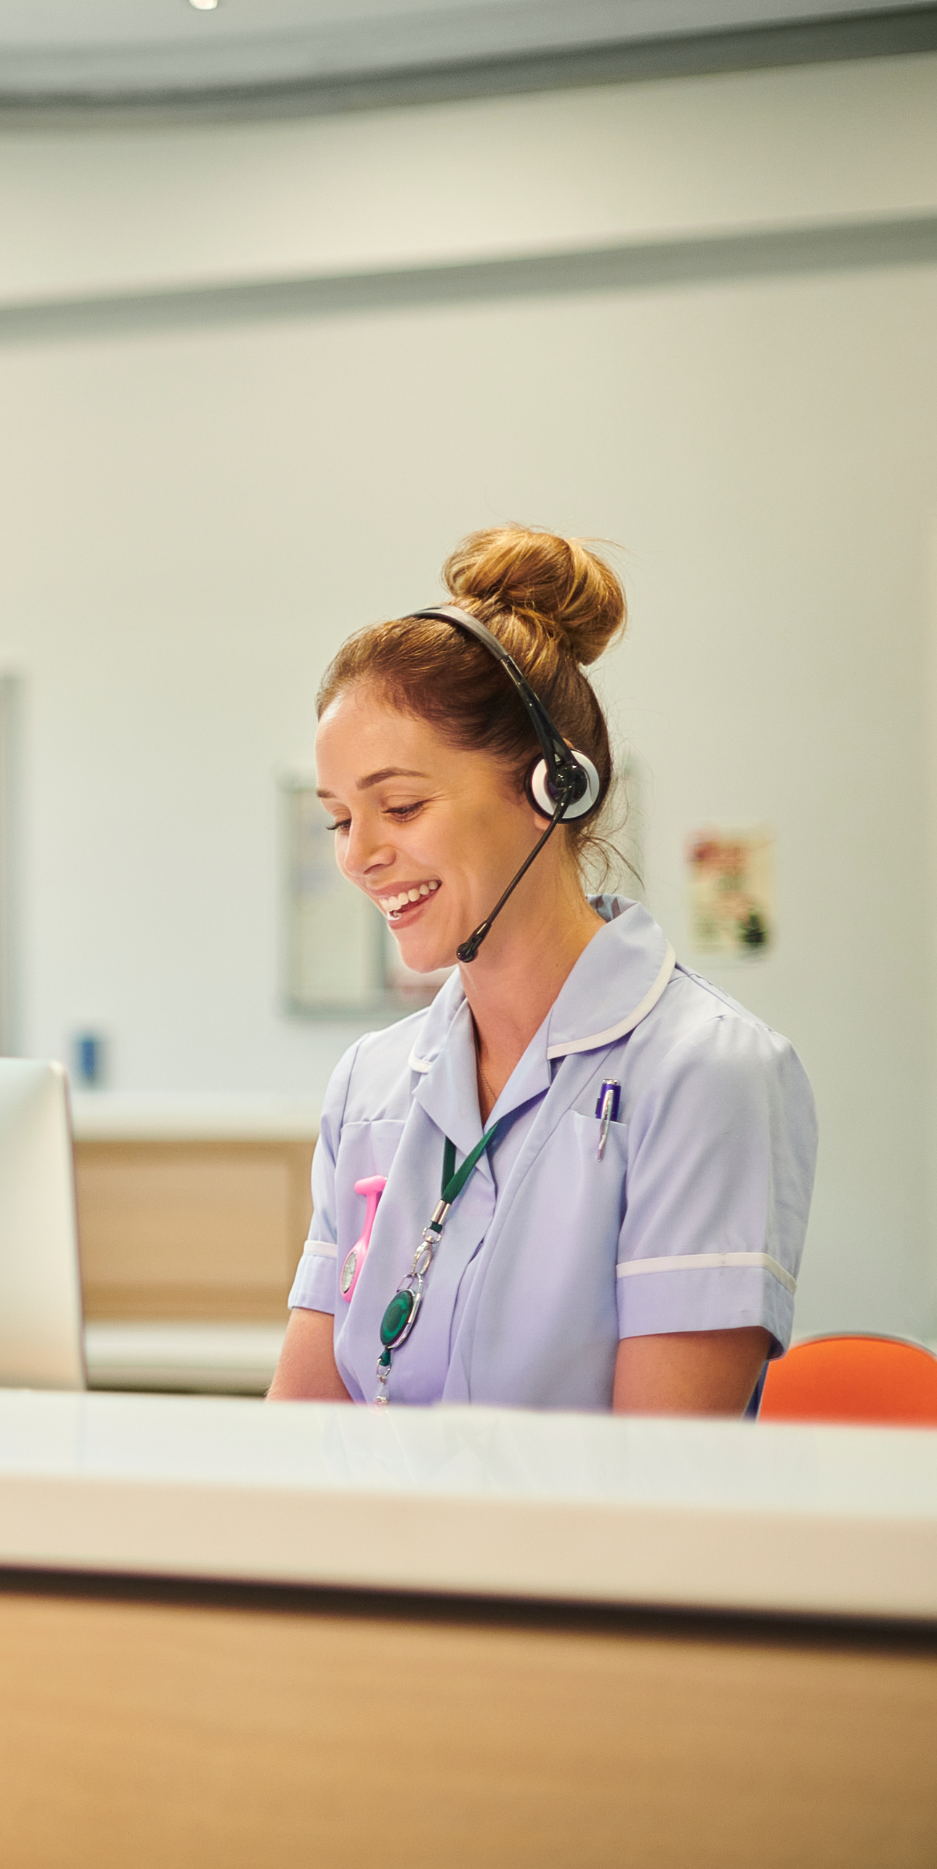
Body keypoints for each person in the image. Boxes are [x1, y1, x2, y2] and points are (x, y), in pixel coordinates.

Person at [269, 527, 816, 1414]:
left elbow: (656, 1482)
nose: (359, 857)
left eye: (399, 807)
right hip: (370, 1554)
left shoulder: (706, 1073)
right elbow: (301, 1431)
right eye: (338, 820)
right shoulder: (370, 1086)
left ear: (552, 788)